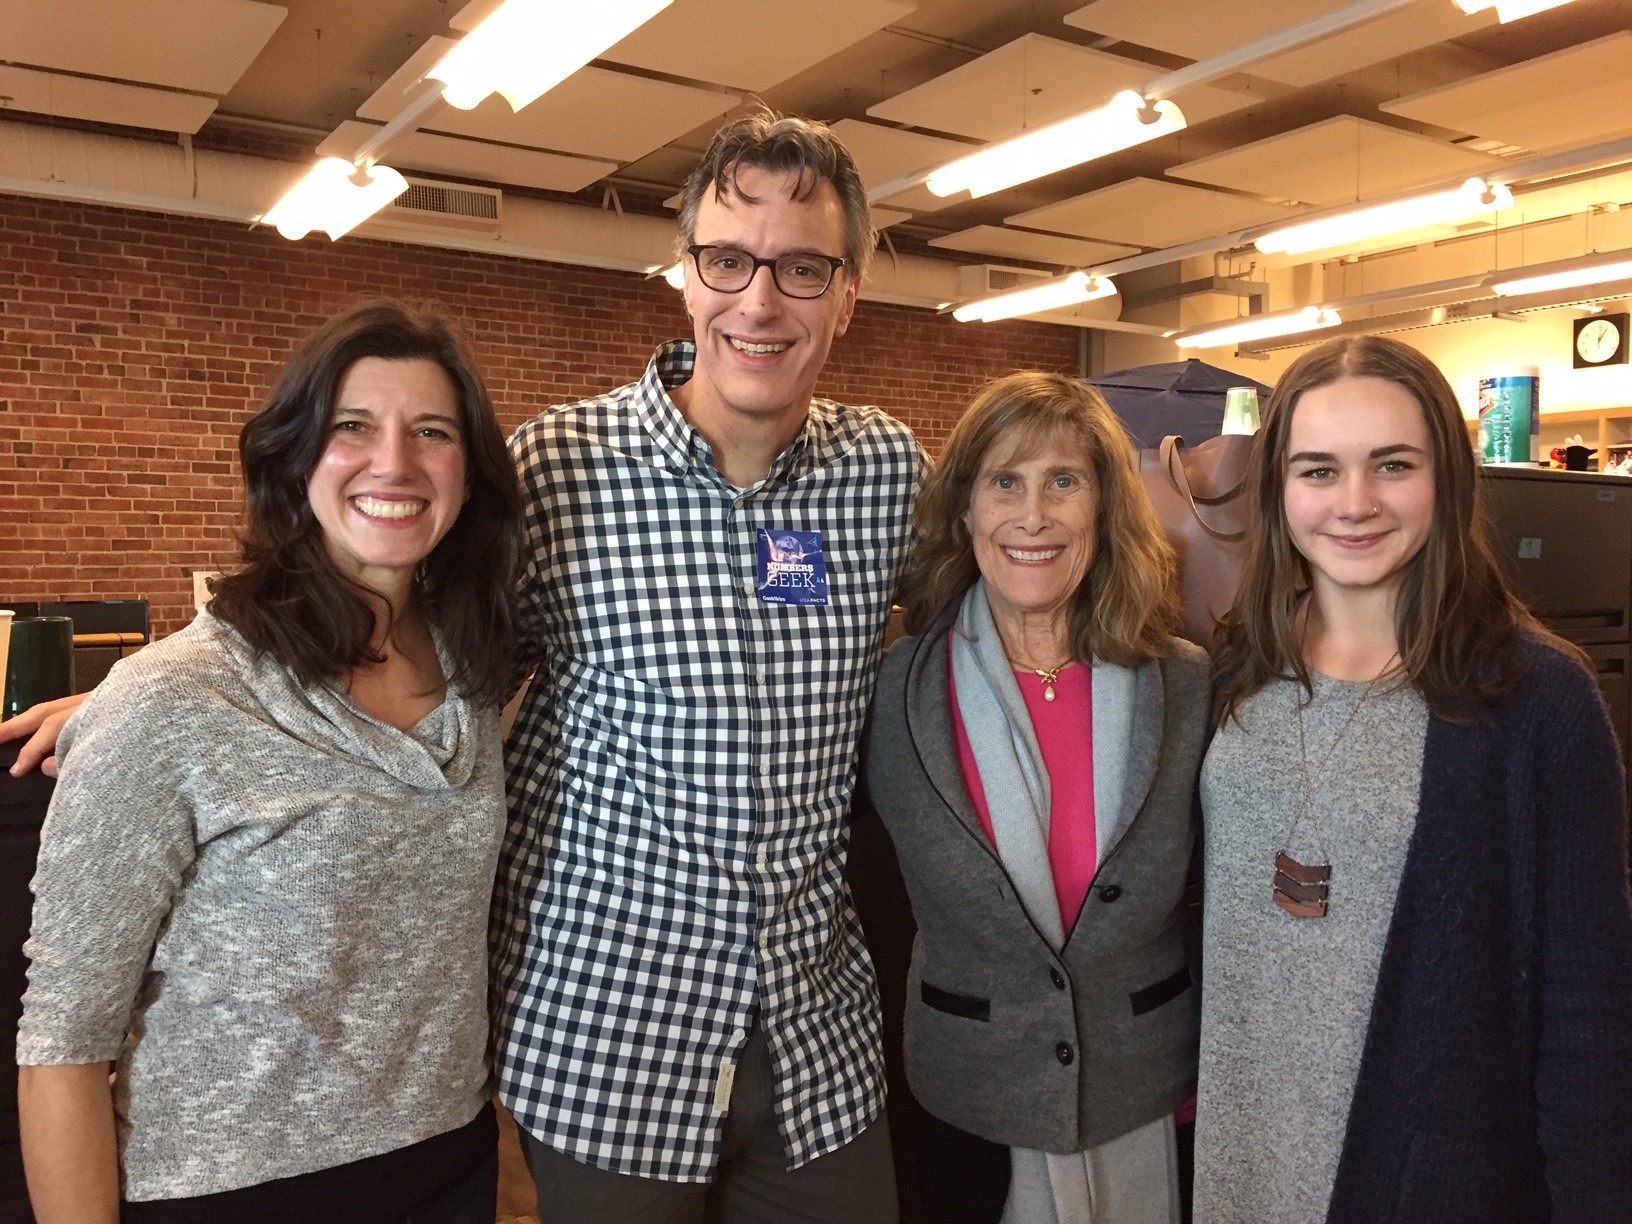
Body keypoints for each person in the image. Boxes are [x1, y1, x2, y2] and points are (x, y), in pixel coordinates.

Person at [492, 110, 924, 1221]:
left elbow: (1026, 596)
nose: (761, 301)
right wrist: (162, 686)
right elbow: (396, 650)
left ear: (848, 293)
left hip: (815, 1041)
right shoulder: (555, 468)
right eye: (728, 259)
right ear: (684, 278)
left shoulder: (885, 473)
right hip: (610, 1041)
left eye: (802, 267)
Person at [15, 300, 522, 1223]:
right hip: (234, 1188)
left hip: (450, 1167)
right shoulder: (171, 699)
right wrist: (125, 700)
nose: (395, 462)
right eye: (352, 428)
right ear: (294, 461)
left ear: (468, 474)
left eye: (433, 432)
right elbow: (62, 1041)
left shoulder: (478, 675)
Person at [1195, 335, 1632, 1223]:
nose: (1354, 503)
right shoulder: (1236, 665)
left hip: (1425, 1173)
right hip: (1239, 1151)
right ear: (1278, 489)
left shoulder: (1538, 698)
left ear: (1447, 479)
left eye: (1391, 464)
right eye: (1318, 470)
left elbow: (1589, 1010)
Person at [866, 371, 1210, 1224]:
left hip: (1151, 1095)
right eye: (1004, 482)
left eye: (1065, 480)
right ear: (967, 509)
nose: (1033, 516)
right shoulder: (897, 691)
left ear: (1104, 507)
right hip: (967, 1106)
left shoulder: (1187, 683)